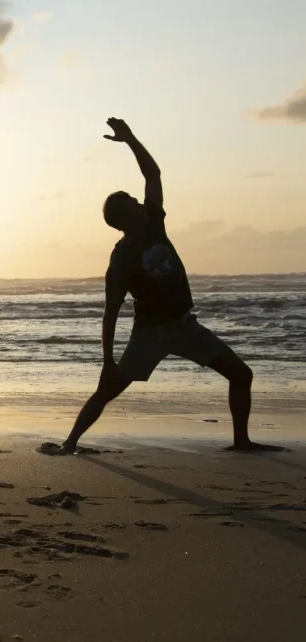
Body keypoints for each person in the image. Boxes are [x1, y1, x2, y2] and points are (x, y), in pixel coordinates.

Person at [57, 118, 283, 454]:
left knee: (241, 374)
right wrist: (108, 360)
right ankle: (69, 444)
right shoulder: (121, 260)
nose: (141, 204)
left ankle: (241, 442)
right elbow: (111, 313)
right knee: (107, 390)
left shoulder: (154, 226)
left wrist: (130, 138)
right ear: (123, 219)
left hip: (185, 326)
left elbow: (153, 175)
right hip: (150, 334)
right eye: (134, 204)